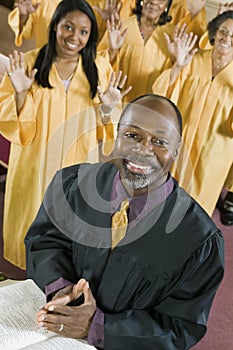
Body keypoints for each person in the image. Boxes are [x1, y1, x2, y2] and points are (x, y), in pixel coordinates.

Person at [25, 94, 224, 350]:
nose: (142, 149)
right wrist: (61, 289)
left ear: (176, 150)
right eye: (132, 135)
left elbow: (180, 326)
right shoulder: (73, 185)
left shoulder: (198, 241)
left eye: (159, 141)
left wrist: (96, 327)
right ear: (117, 136)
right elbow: (46, 240)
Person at [0, 0, 131, 269]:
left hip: (77, 161)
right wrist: (22, 93)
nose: (75, 37)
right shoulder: (28, 64)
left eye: (84, 31)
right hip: (35, 160)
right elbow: (14, 122)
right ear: (55, 26)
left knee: (67, 226)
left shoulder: (99, 68)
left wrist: (108, 110)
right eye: (68, 27)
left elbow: (105, 129)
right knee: (30, 218)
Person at [153, 10, 233, 217]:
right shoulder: (193, 60)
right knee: (163, 199)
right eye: (224, 31)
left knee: (197, 208)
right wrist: (178, 65)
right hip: (181, 143)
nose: (227, 38)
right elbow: (164, 96)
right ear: (215, 33)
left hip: (214, 153)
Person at [8, 0, 136, 47]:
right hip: (45, 66)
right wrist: (23, 15)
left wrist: (111, 22)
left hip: (81, 78)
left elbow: (110, 48)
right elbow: (26, 31)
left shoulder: (109, 4)